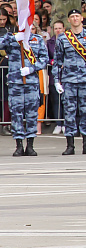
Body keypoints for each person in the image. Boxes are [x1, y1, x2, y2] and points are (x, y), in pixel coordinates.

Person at [53, 9, 86, 155]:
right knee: (69, 112)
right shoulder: (63, 38)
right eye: (72, 17)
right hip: (69, 80)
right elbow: (57, 61)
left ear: (82, 18)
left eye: (77, 16)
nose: (75, 19)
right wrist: (57, 80)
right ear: (69, 20)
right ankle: (70, 145)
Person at [0, 23, 49, 156]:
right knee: (16, 114)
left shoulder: (37, 40)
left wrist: (32, 68)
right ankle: (19, 145)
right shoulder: (13, 38)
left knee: (32, 114)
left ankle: (30, 145)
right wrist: (12, 38)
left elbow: (45, 59)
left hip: (31, 82)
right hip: (15, 82)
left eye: (31, 27)